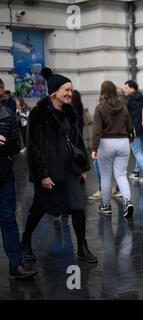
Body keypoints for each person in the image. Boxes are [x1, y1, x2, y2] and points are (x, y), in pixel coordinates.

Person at [21, 67, 97, 263]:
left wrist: (83, 168)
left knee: (77, 207)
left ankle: (82, 248)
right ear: (55, 92)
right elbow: (34, 147)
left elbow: (77, 141)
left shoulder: (70, 111)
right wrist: (43, 174)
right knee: (39, 208)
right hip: (49, 172)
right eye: (66, 90)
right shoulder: (39, 113)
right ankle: (25, 242)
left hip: (70, 169)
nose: (70, 94)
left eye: (71, 90)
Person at [0, 78, 37, 280]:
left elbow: (15, 145)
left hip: (4, 175)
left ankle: (16, 264)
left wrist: (4, 147)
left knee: (8, 219)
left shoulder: (7, 115)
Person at [91, 81, 134, 217]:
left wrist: (94, 148)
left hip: (106, 143)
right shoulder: (123, 107)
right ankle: (128, 201)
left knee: (105, 176)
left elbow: (97, 130)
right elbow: (129, 126)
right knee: (121, 174)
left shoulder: (100, 108)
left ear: (103, 92)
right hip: (123, 142)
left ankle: (106, 205)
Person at [124, 80, 143, 183]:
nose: (125, 90)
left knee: (137, 151)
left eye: (126, 88)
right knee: (140, 151)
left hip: (133, 129)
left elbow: (125, 115)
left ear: (132, 88)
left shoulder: (128, 99)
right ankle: (136, 172)